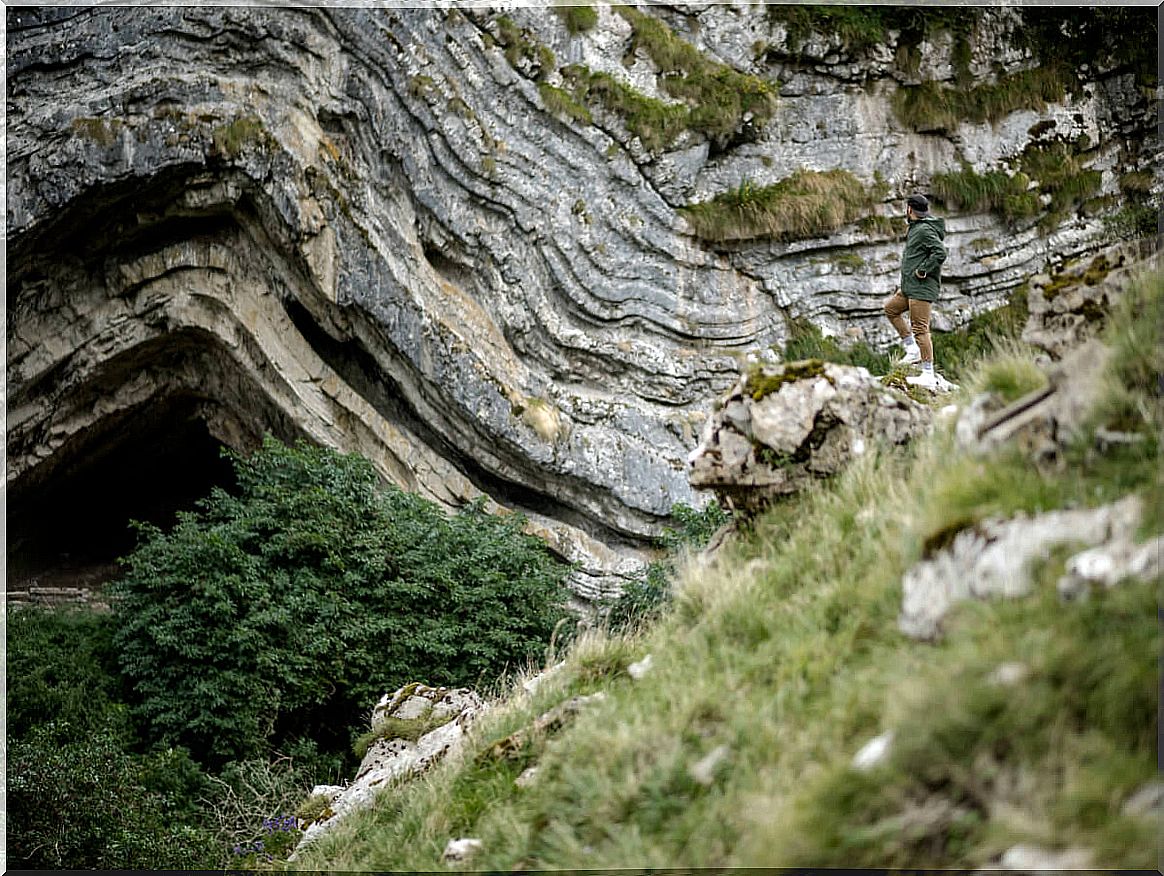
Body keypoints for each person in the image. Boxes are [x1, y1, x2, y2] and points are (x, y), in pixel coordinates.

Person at [884, 193, 947, 388]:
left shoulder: (924, 230)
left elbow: (940, 252)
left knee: (920, 328)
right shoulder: (917, 227)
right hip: (909, 287)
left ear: (909, 209)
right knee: (891, 309)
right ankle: (912, 350)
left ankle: (928, 373)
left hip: (921, 289)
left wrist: (923, 270)